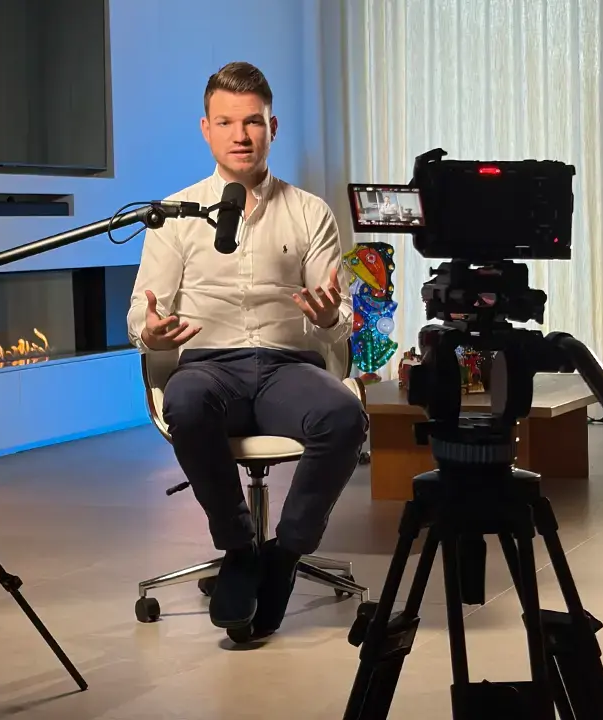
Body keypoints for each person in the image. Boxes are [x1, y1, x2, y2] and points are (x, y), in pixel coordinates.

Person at [126, 62, 368, 640]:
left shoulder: (309, 211)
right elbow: (142, 312)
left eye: (253, 122)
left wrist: (329, 316)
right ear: (206, 129)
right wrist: (151, 332)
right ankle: (238, 548)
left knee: (344, 415)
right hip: (209, 367)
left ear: (272, 127)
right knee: (186, 403)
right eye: (226, 122)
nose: (241, 135)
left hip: (289, 367)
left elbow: (338, 317)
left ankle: (283, 556)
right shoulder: (174, 215)